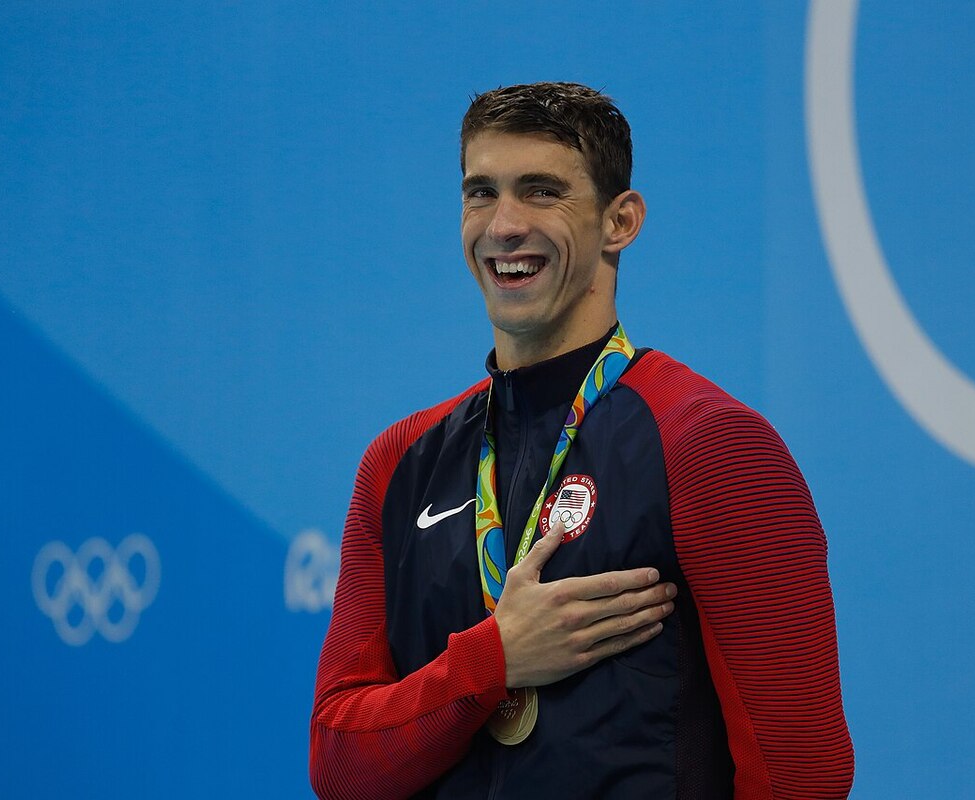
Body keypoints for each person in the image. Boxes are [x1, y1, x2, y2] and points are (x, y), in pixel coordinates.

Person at [309, 81, 853, 800]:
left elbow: (801, 773)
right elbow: (341, 762)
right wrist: (492, 663)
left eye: (541, 192)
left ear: (620, 221)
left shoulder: (712, 446)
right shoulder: (399, 462)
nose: (503, 226)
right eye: (481, 193)